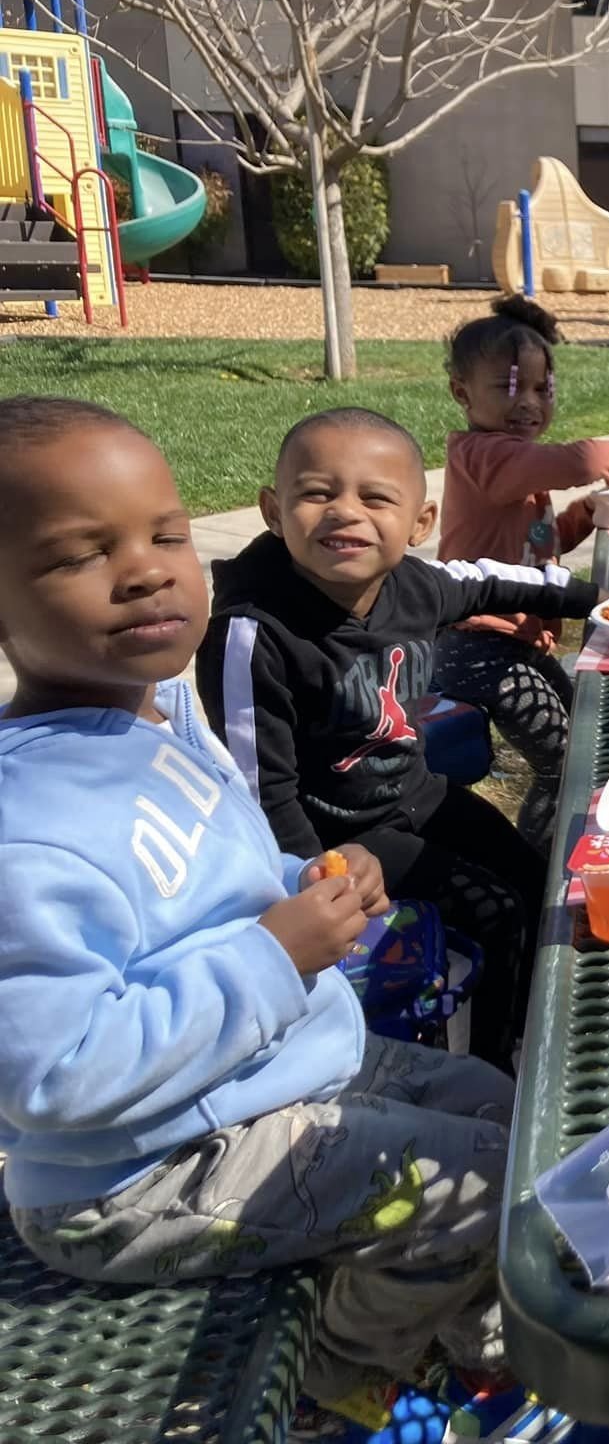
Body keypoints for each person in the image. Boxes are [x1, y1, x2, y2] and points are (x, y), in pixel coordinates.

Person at [0, 398, 537, 1439]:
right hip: (144, 1172)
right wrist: (270, 956)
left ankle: (468, 1336)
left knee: (504, 1109)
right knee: (478, 1189)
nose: (149, 570)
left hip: (273, 1068)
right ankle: (325, 1390)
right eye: (81, 554)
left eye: (165, 536)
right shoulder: (29, 826)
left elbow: (216, 876)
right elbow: (52, 1076)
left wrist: (303, 879)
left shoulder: (151, 709)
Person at [197, 407, 600, 1072]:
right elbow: (259, 790)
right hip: (341, 838)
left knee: (541, 880)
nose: (344, 512)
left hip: (418, 797)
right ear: (273, 510)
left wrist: (601, 600)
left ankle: (548, 1025)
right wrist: (312, 884)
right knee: (498, 913)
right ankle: (497, 1076)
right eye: (317, 493)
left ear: (421, 522)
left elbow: (495, 580)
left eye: (375, 496)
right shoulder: (252, 633)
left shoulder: (415, 585)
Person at [433, 295, 609, 848]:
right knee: (562, 757)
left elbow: (536, 547)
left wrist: (582, 516)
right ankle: (541, 868)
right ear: (462, 393)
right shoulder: (481, 456)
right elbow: (584, 462)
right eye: (508, 387)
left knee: (586, 734)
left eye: (541, 389)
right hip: (477, 646)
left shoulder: (513, 460)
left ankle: (576, 841)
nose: (527, 403)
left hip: (518, 641)